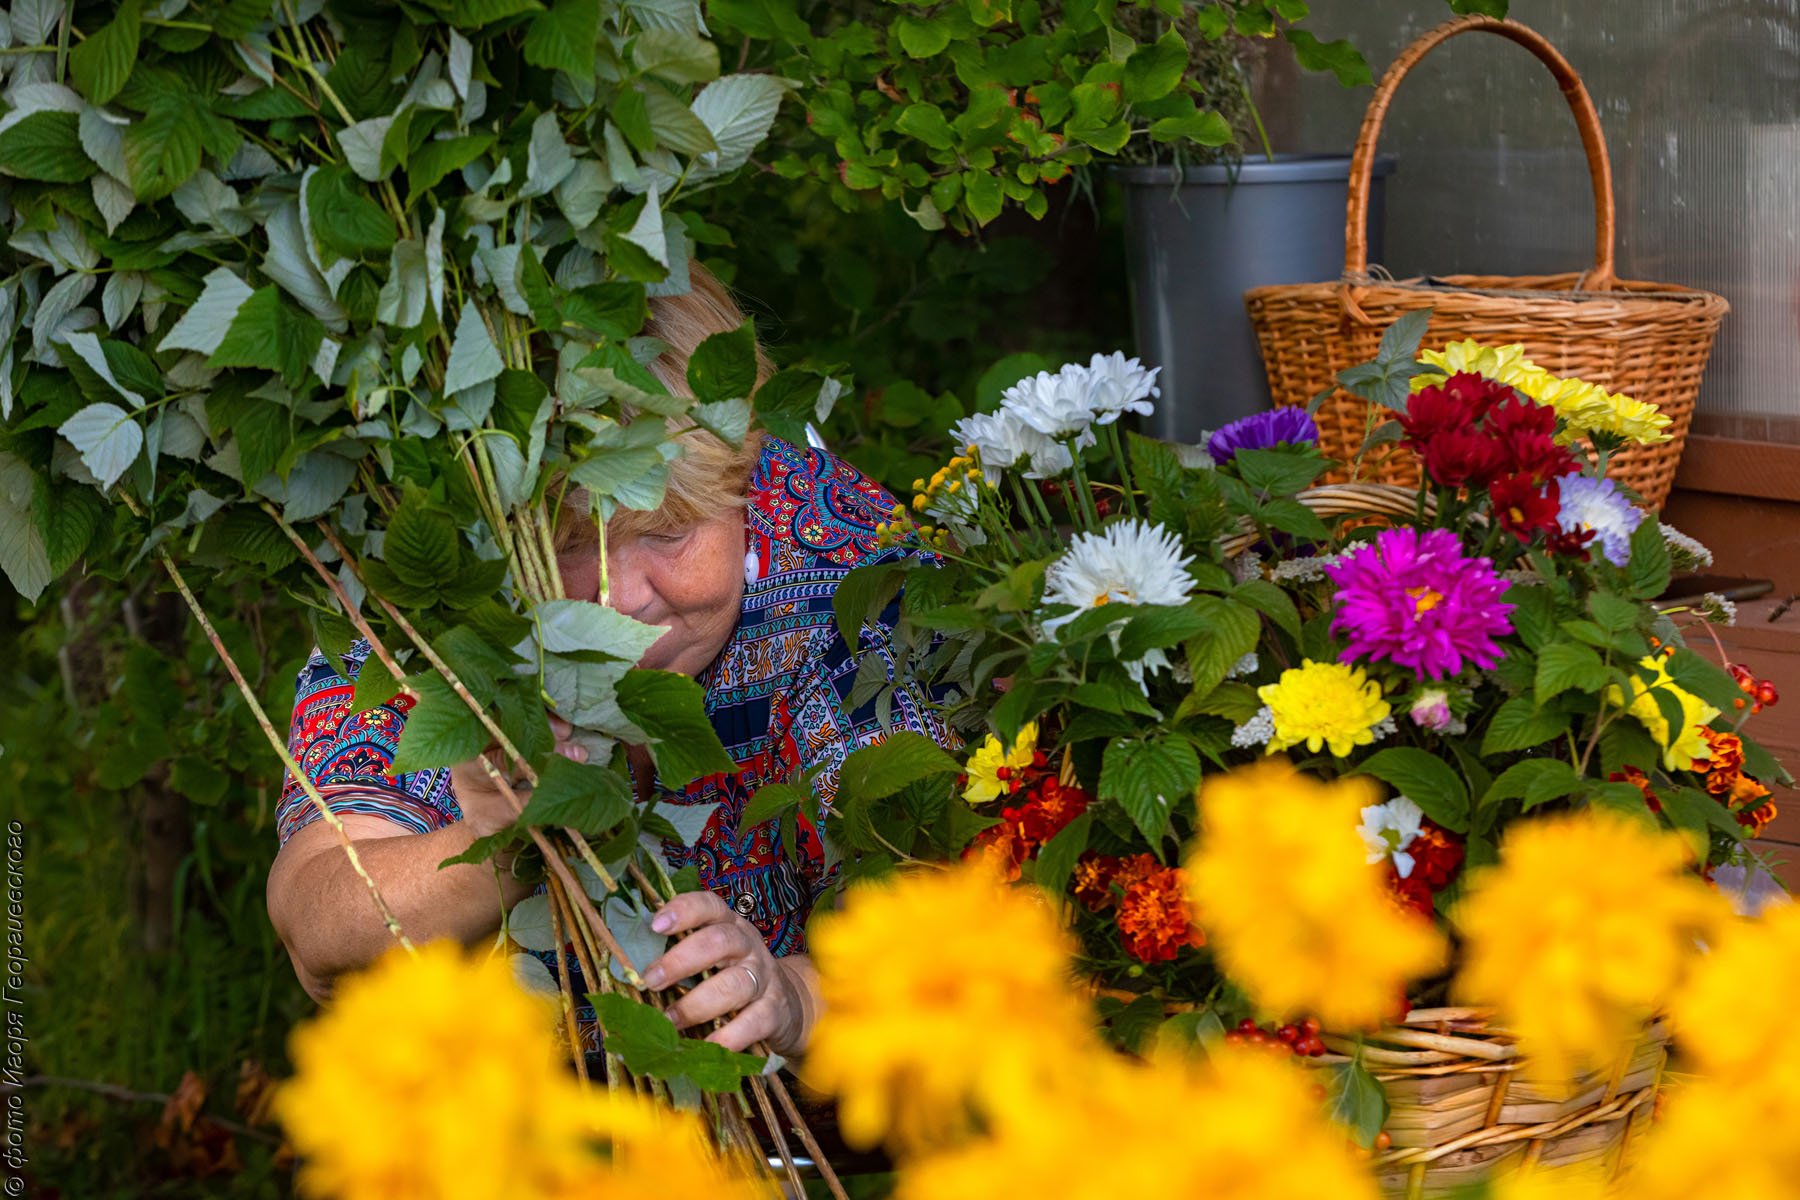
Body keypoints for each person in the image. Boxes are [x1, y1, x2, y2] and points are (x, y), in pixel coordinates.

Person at [265, 266, 950, 1063]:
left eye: (668, 531)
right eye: (566, 542)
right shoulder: (436, 592)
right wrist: (501, 844)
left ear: (741, 482)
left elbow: (945, 936)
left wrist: (794, 997)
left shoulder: (844, 568)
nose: (620, 599)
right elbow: (319, 928)